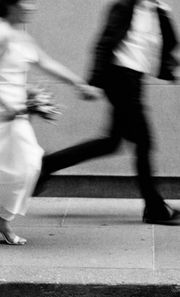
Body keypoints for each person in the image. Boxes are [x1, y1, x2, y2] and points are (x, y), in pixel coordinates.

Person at [0, 0, 100, 244]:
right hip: (2, 114)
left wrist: (78, 84)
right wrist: (5, 104)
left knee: (22, 165)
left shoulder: (20, 36)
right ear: (11, 7)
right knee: (14, 163)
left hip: (16, 115)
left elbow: (47, 63)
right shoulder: (1, 35)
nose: (32, 6)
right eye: (25, 3)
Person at [35, 0, 180, 225]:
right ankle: (154, 207)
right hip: (119, 79)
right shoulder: (124, 7)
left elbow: (169, 42)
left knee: (112, 142)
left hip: (135, 79)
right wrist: (94, 82)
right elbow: (104, 43)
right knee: (144, 142)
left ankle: (48, 165)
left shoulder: (157, 11)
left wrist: (164, 14)